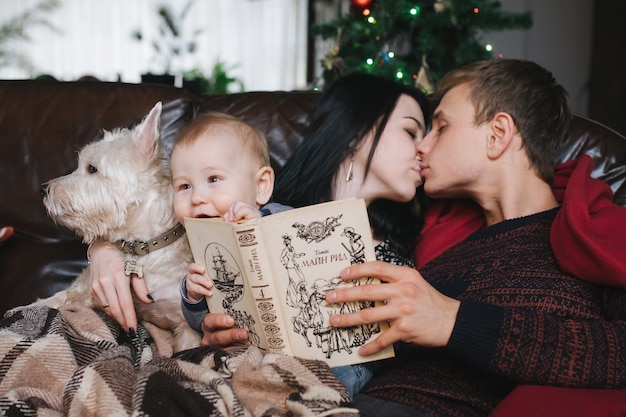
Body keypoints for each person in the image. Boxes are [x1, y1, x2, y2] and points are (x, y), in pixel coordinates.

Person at [88, 72, 431, 396]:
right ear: (359, 130)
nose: (424, 149)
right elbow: (142, 224)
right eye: (411, 131)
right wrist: (104, 250)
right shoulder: (242, 202)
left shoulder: (402, 243)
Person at [323, 59, 626, 416]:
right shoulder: (435, 248)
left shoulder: (597, 237)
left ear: (497, 134)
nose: (422, 147)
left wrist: (453, 321)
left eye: (441, 126)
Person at [169, 112, 291, 329]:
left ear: (261, 185)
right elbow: (200, 325)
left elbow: (302, 255)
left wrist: (260, 227)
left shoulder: (280, 217)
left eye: (213, 179)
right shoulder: (200, 245)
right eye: (184, 186)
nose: (197, 198)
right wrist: (194, 296)